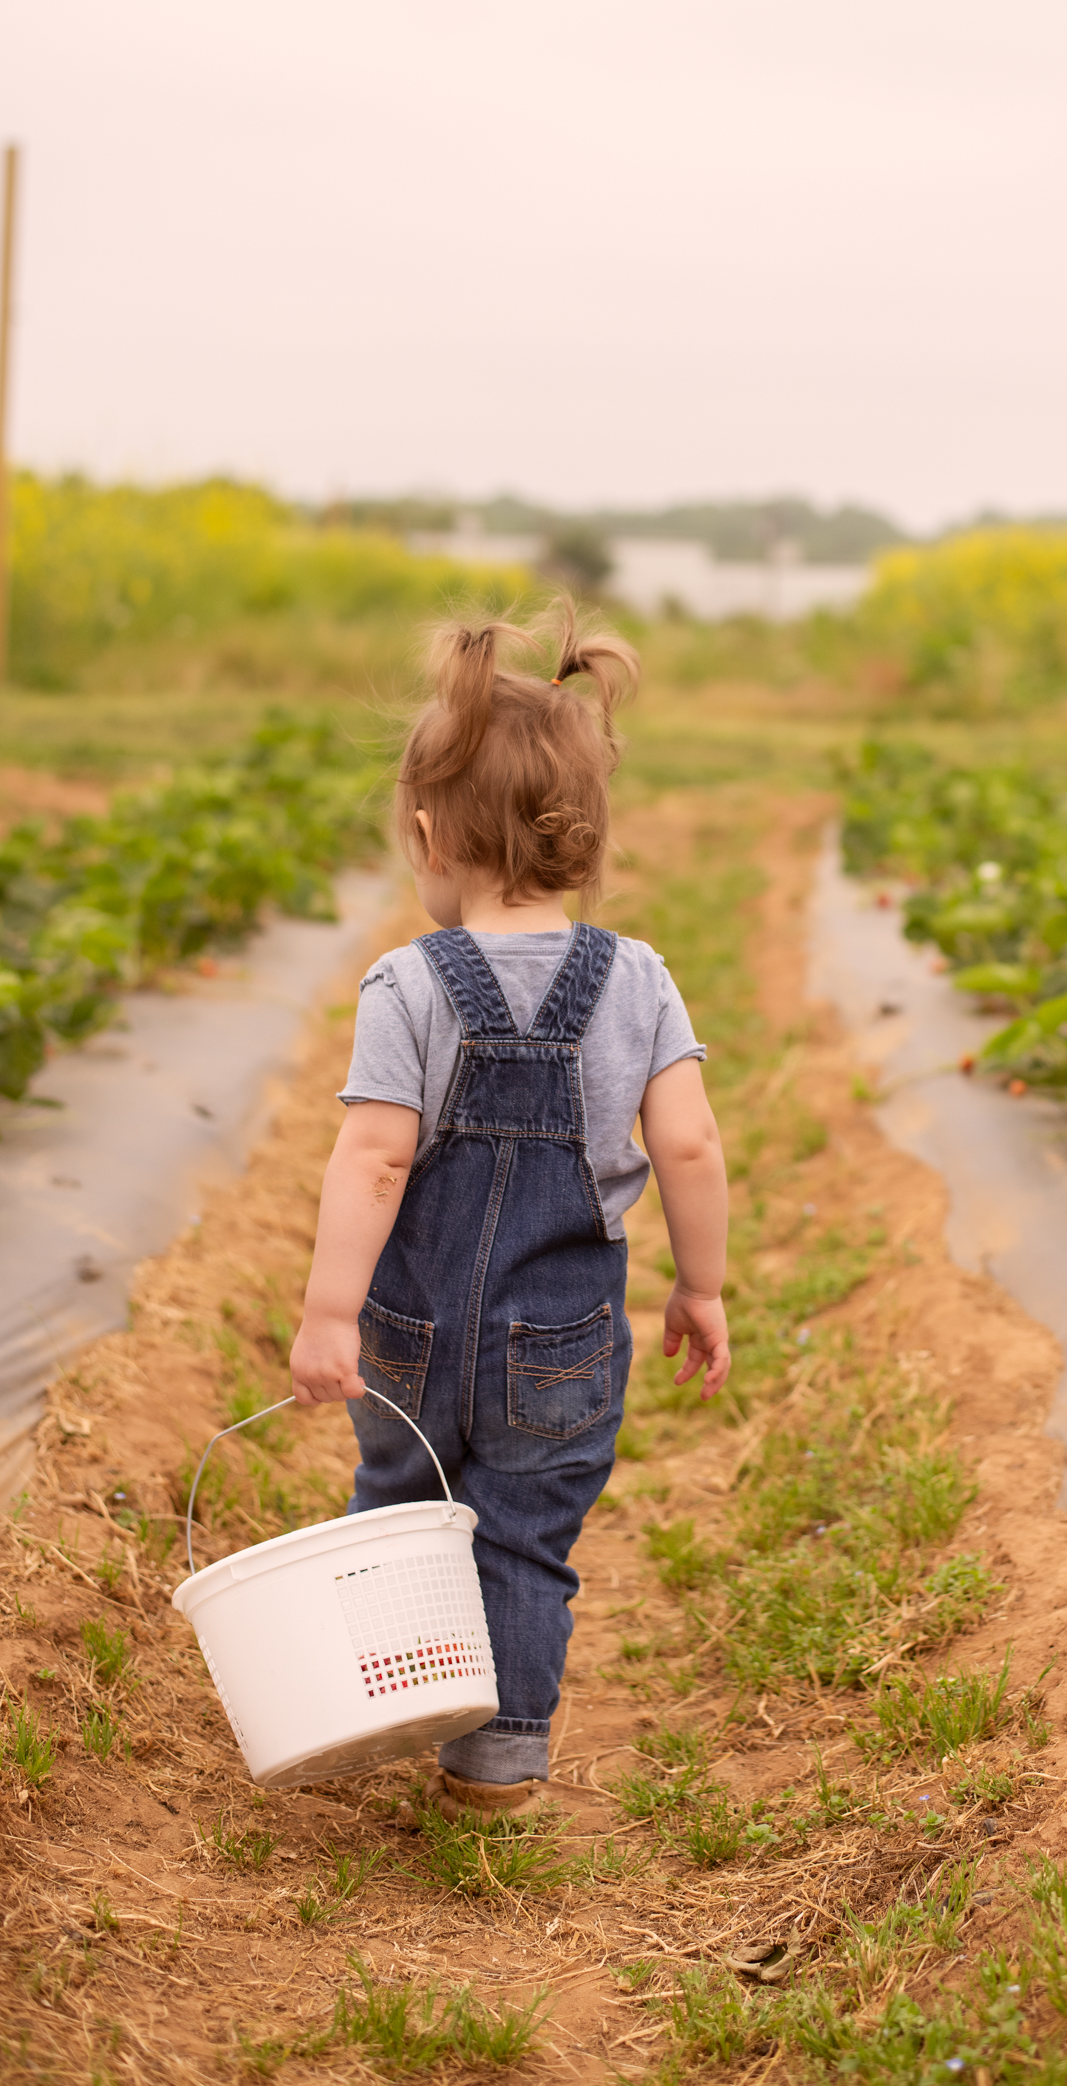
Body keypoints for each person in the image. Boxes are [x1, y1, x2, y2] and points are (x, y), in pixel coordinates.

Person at [289, 606, 731, 1813]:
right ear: (582, 840)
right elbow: (686, 1141)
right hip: (562, 1337)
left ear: (429, 833)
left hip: (408, 1328)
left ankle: (388, 1699)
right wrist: (700, 1285)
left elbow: (373, 1160)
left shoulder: (406, 982)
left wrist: (332, 1312)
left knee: (399, 1507)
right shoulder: (636, 980)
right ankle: (497, 1760)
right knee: (523, 1537)